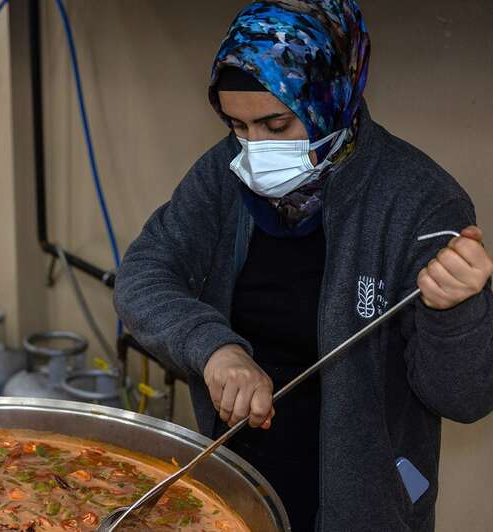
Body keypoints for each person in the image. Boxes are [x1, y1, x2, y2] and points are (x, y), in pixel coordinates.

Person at [113, 1, 493, 531]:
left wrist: (456, 311)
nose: (256, 149)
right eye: (237, 125)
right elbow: (143, 274)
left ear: (330, 100)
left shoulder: (419, 201)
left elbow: (465, 397)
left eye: (276, 123)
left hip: (364, 505)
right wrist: (215, 350)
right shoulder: (225, 174)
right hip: (237, 479)